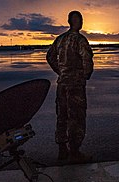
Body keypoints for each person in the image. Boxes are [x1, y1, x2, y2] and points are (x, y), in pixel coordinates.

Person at [46, 10, 94, 164]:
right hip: (75, 85)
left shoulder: (60, 39)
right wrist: (85, 74)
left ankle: (62, 149)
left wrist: (60, 71)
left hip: (62, 83)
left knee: (62, 116)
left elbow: (50, 56)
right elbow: (87, 59)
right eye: (78, 20)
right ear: (73, 22)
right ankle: (74, 151)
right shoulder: (80, 40)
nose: (80, 22)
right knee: (76, 117)